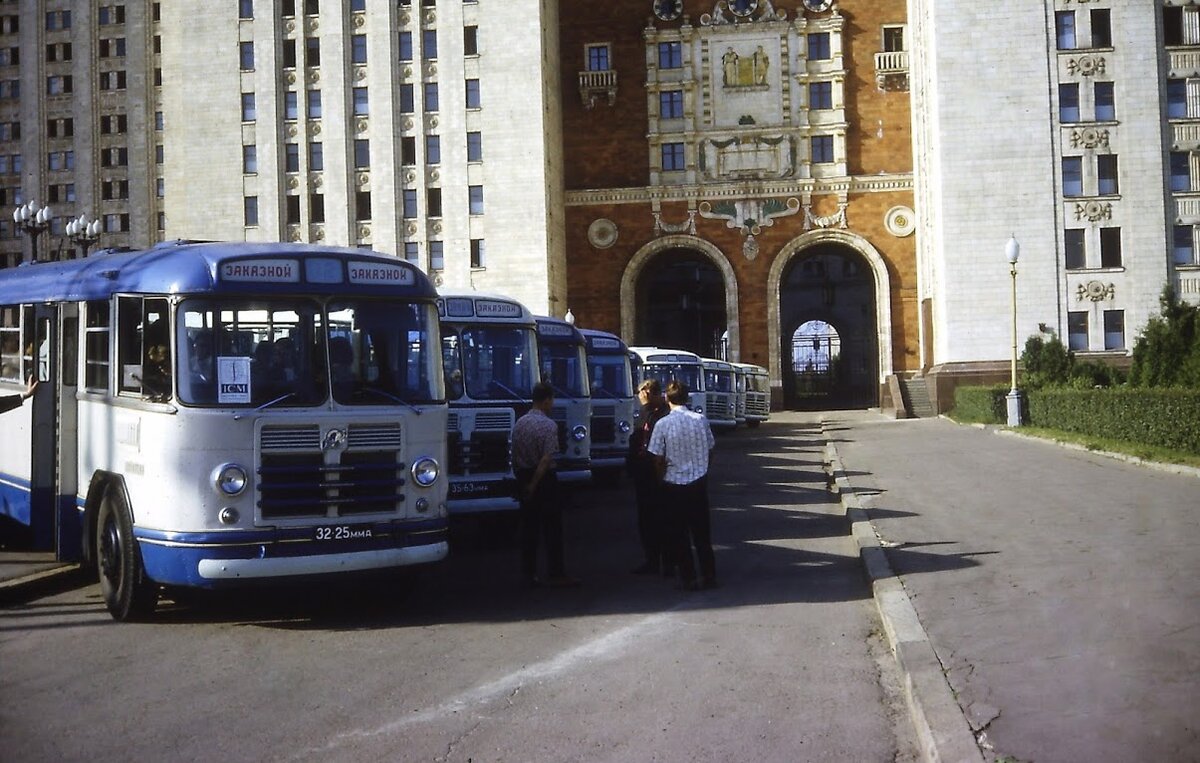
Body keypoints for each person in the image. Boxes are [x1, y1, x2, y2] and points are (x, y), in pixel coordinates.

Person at [648, 380, 717, 591]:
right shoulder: (700, 420)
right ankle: (709, 575)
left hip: (673, 484)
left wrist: (660, 479)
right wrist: (703, 468)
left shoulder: (662, 424)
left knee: (679, 534)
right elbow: (711, 448)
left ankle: (689, 577)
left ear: (667, 399)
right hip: (698, 482)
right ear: (687, 398)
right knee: (702, 534)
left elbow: (657, 458)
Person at [511, 380, 578, 588]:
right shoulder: (549, 425)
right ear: (547, 400)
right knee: (552, 528)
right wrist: (534, 483)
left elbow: (513, 455)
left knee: (529, 529)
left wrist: (523, 481)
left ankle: (528, 573)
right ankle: (556, 572)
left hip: (522, 473)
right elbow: (546, 459)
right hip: (543, 480)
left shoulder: (520, 423)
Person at [627, 378, 670, 575]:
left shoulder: (661, 414)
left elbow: (649, 437)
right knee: (646, 520)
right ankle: (651, 558)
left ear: (648, 393)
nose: (639, 398)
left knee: (662, 518)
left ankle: (666, 560)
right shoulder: (647, 412)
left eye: (641, 393)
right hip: (643, 474)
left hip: (658, 473)